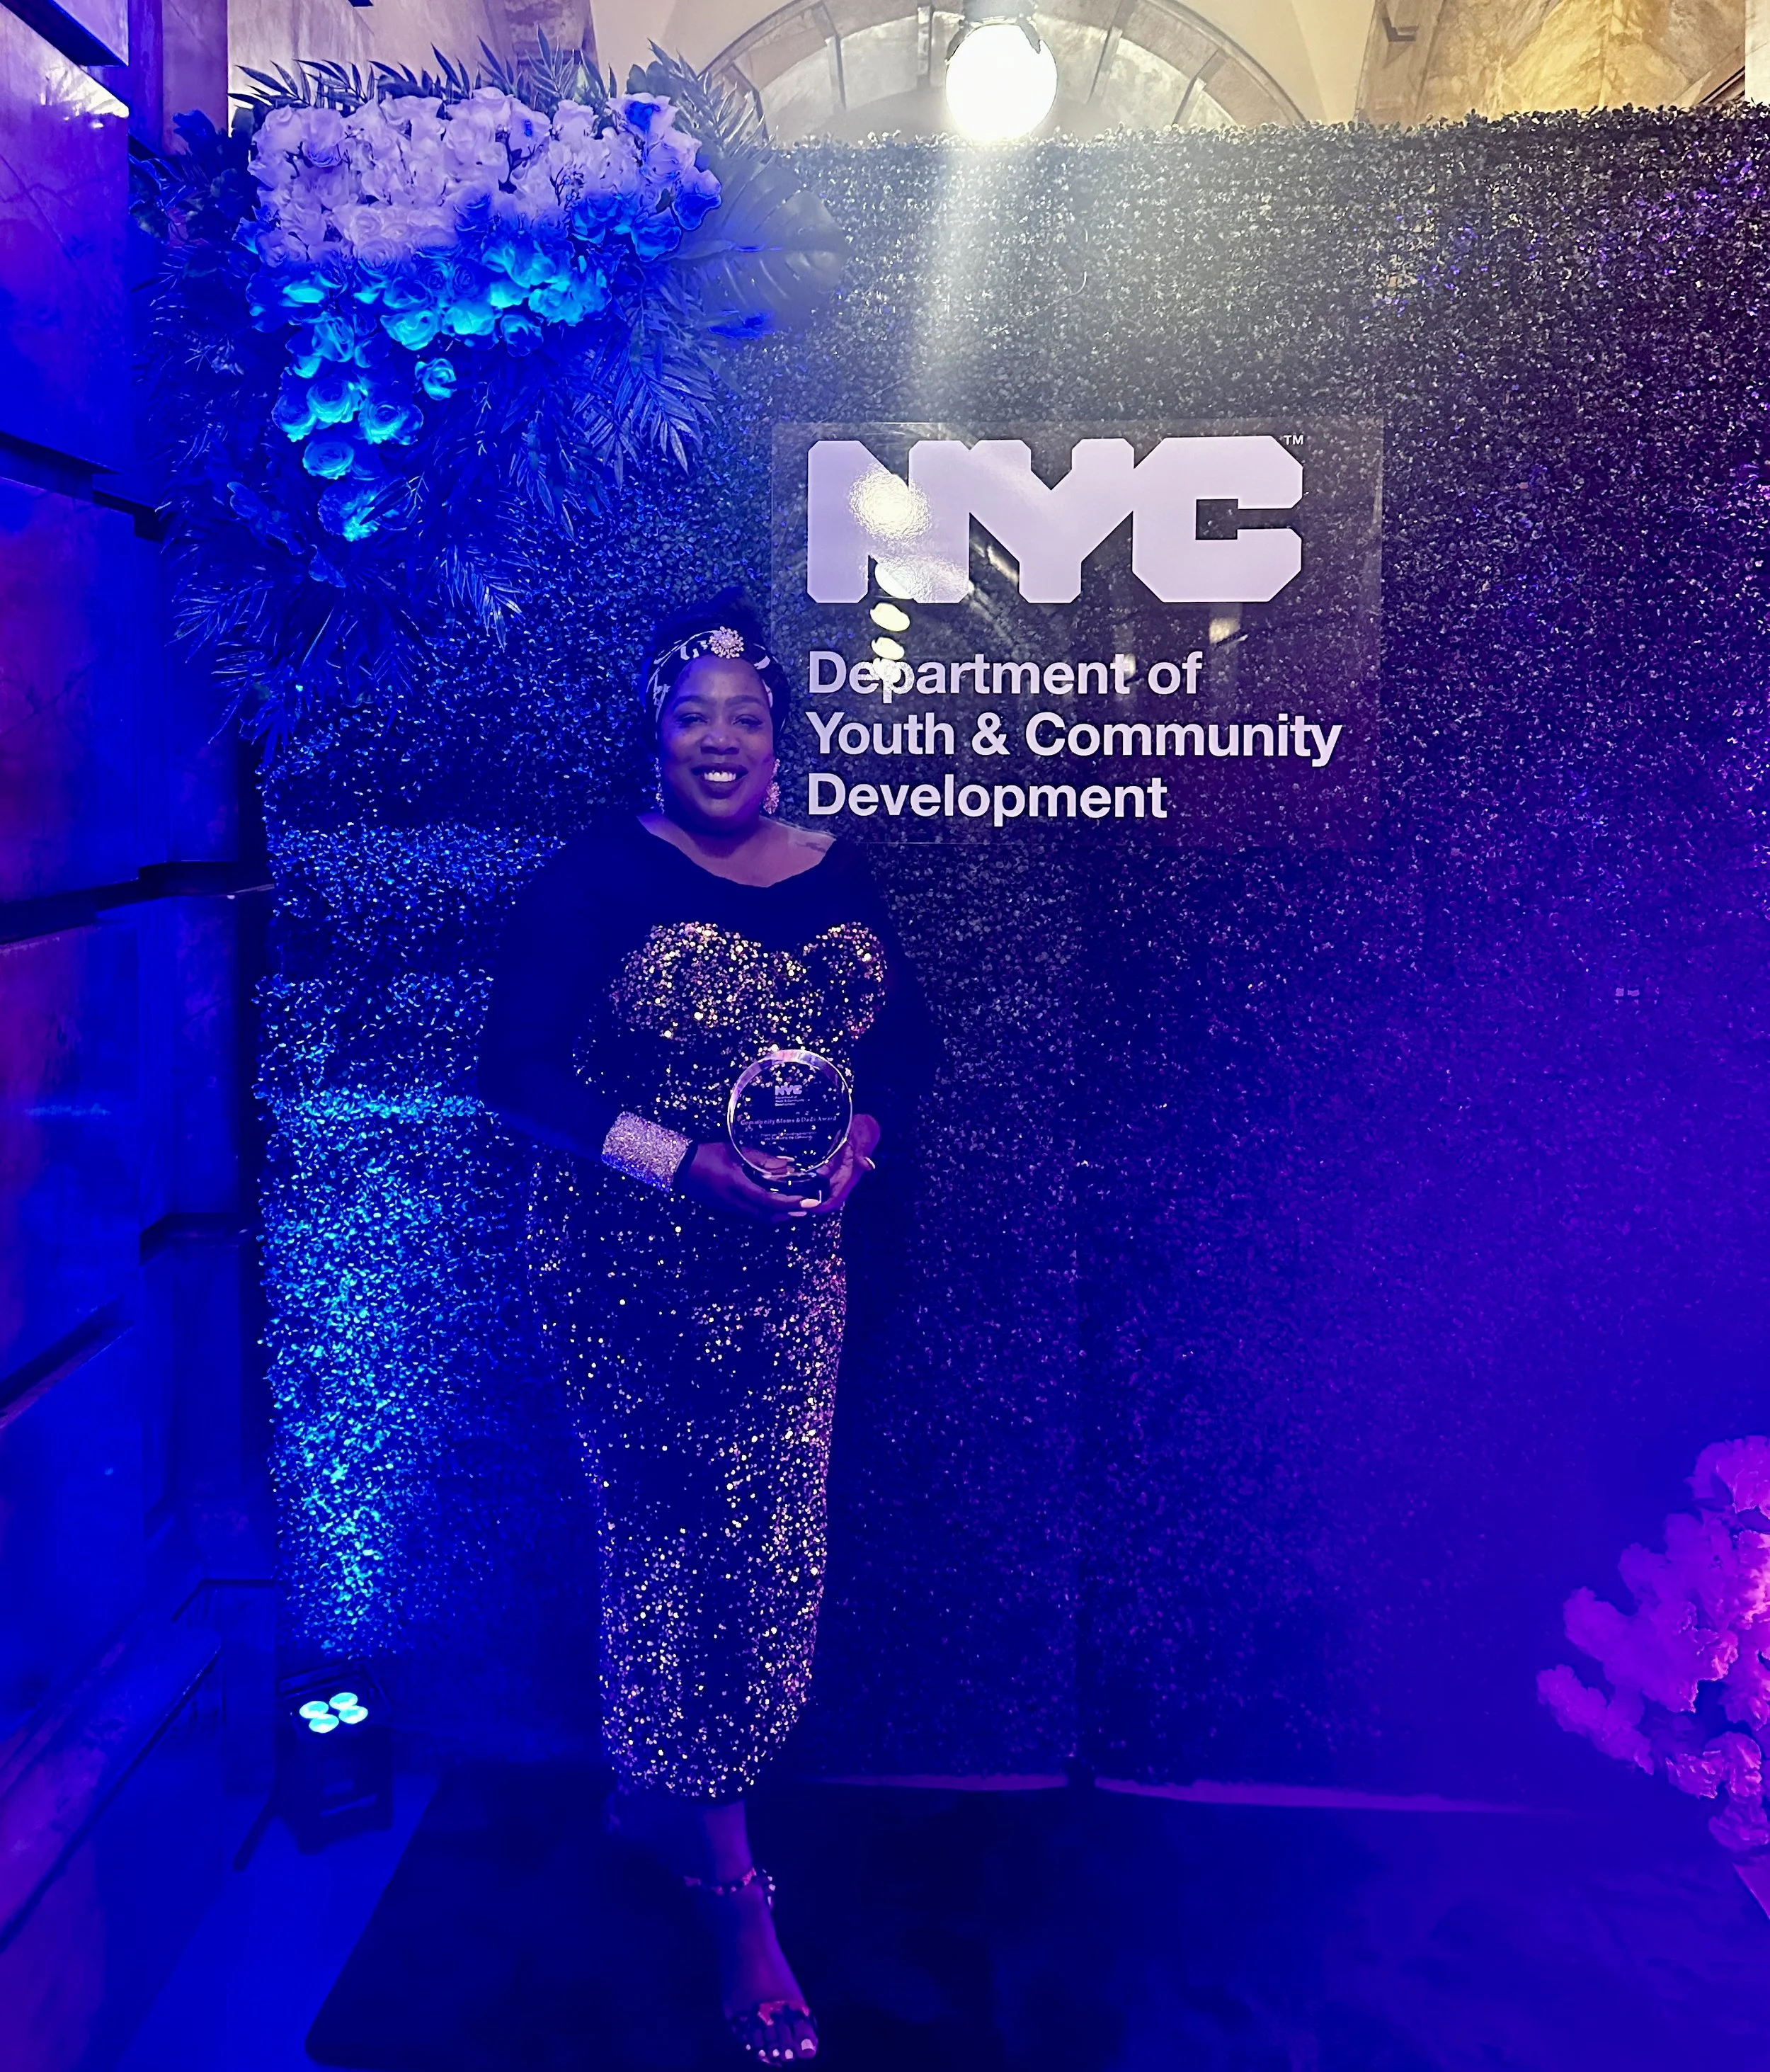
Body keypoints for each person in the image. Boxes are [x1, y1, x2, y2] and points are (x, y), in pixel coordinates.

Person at [477, 593, 937, 2064]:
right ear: (659, 738)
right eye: (694, 716)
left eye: (745, 714)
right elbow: (513, 1074)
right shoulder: (597, 877)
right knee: (674, 1552)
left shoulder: (836, 868)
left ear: (779, 739)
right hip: (630, 1274)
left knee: (772, 1548)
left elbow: (906, 1044)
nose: (720, 738)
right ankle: (736, 1895)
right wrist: (683, 1163)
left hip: (794, 1270)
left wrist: (862, 1137)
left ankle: (660, 1795)